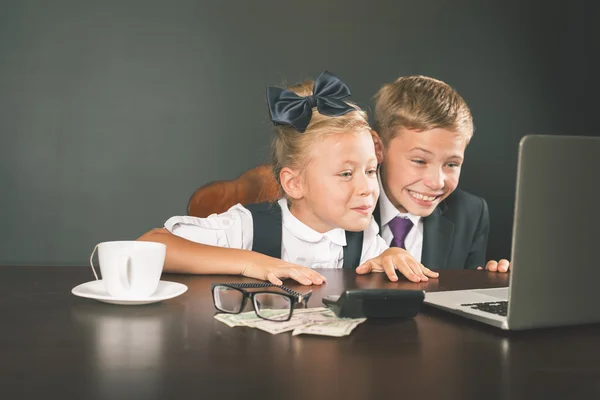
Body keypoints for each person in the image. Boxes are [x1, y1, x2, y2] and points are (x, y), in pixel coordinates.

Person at [138, 71, 438, 285]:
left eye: (371, 170)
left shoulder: (365, 237)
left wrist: (391, 256)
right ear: (294, 183)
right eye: (346, 173)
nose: (367, 188)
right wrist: (250, 262)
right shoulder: (247, 226)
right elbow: (150, 245)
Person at [362, 75, 509, 273]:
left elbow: (460, 294)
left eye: (451, 164)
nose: (436, 182)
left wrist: (488, 282)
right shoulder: (343, 203)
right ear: (377, 148)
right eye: (420, 161)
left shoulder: (470, 214)